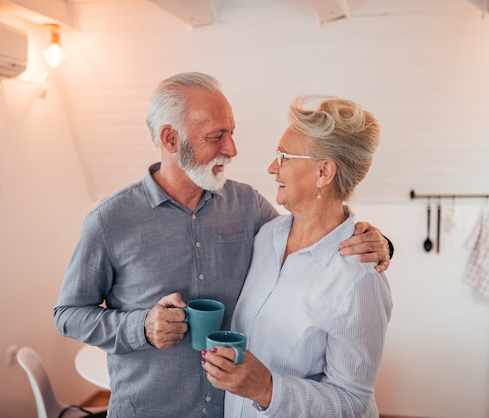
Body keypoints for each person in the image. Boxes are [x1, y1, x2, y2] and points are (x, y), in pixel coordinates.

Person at [54, 72, 392, 418]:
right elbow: (68, 315)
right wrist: (140, 327)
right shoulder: (110, 221)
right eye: (217, 137)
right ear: (171, 139)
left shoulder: (249, 208)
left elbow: (317, 237)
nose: (232, 149)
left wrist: (378, 244)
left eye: (231, 133)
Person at [202, 95, 392, 417]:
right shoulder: (267, 236)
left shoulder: (359, 279)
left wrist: (267, 389)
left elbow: (352, 404)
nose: (272, 167)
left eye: (284, 156)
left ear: (324, 172)